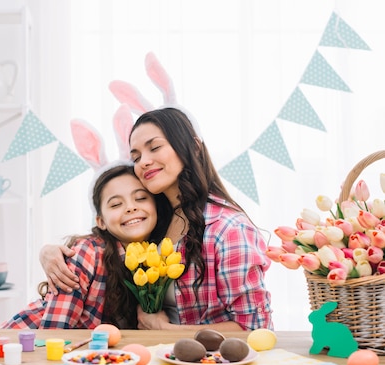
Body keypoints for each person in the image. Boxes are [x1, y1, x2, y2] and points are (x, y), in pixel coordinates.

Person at [41, 107, 273, 331]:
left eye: (155, 148)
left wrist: (165, 330)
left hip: (208, 364)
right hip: (157, 360)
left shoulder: (227, 228)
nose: (143, 161)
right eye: (136, 156)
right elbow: (104, 243)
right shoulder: (155, 221)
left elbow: (255, 328)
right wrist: (51, 252)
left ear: (192, 146)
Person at [1, 163, 172, 329]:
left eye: (141, 198)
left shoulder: (157, 257)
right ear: (101, 222)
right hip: (22, 344)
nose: (131, 207)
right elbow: (54, 331)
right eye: (115, 204)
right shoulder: (88, 252)